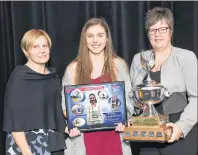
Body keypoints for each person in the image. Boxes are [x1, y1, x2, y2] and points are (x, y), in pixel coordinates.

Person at [130, 7, 197, 155]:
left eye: (162, 29)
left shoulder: (186, 57)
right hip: (147, 134)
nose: (157, 34)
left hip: (178, 133)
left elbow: (196, 98)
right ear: (147, 33)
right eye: (152, 30)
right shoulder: (138, 59)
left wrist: (181, 127)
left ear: (171, 31)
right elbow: (132, 96)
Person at [61, 17, 134, 155]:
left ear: (107, 38)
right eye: (90, 36)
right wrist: (73, 123)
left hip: (114, 138)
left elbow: (129, 101)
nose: (95, 40)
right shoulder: (72, 69)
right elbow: (66, 107)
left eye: (100, 35)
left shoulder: (119, 65)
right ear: (84, 39)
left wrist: (124, 120)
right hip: (83, 141)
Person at [3, 29, 66, 155]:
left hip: (55, 143)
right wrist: (26, 152)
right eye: (35, 46)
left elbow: (56, 112)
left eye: (45, 46)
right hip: (28, 146)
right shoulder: (19, 77)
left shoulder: (53, 77)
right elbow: (14, 120)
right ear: (26, 51)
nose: (42, 50)